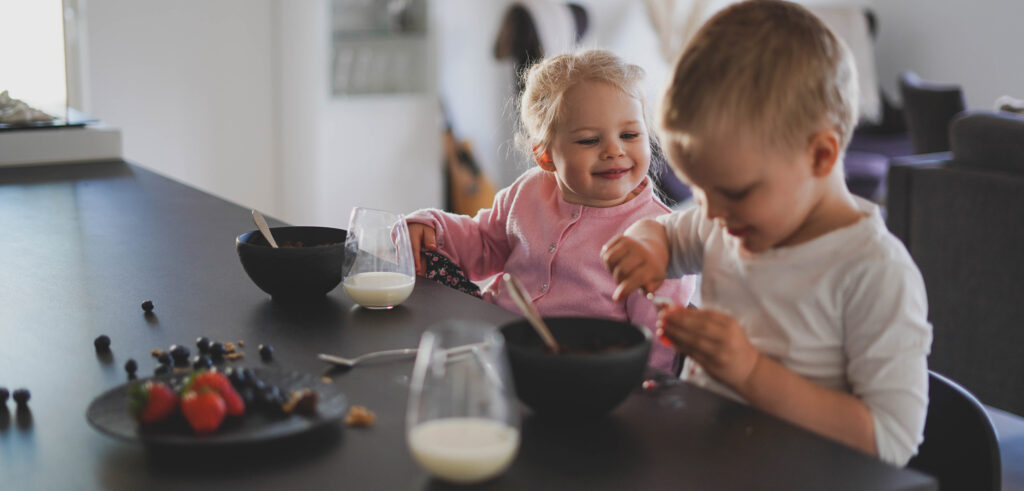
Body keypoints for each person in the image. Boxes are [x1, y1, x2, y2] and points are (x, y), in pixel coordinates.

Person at [601, 1, 931, 466]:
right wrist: (645, 245)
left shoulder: (874, 271)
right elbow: (665, 232)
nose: (710, 211)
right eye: (699, 189)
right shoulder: (726, 218)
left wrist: (749, 371)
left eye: (733, 191)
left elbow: (889, 440)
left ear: (820, 155)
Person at [407, 49, 696, 372]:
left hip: (582, 372)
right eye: (589, 140)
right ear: (545, 156)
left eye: (629, 135)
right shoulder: (530, 190)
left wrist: (645, 391)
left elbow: (655, 338)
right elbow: (483, 244)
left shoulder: (657, 236)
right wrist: (434, 229)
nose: (615, 150)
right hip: (496, 346)